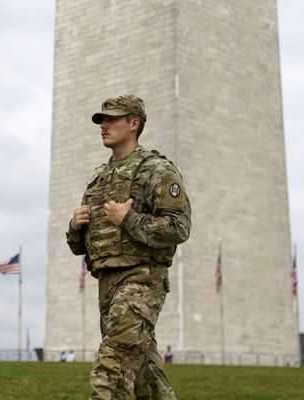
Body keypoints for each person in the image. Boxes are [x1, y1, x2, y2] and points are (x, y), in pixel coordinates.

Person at [66, 95, 191, 400]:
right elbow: (80, 247)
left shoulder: (157, 170)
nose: (104, 125)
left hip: (142, 279)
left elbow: (178, 228)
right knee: (147, 378)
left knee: (113, 367)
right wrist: (75, 227)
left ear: (134, 123)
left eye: (112, 119)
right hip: (107, 283)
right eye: (102, 120)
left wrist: (128, 219)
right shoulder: (99, 179)